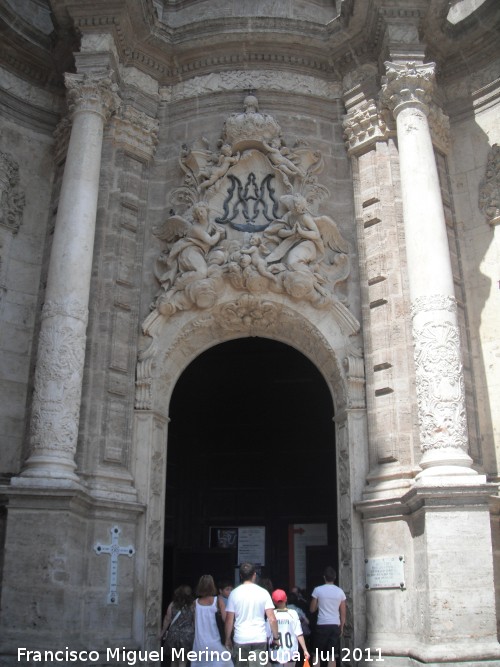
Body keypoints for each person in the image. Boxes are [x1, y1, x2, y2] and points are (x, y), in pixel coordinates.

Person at [224, 562, 280, 667]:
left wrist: (227, 638)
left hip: (241, 638)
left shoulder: (234, 594)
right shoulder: (263, 592)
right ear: (254, 574)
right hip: (259, 637)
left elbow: (229, 619)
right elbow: (272, 619)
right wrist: (276, 638)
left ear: (240, 576)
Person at [191, 574, 234, 667]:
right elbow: (225, 620)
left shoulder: (195, 603)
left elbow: (194, 624)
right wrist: (228, 638)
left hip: (200, 643)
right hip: (216, 642)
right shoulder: (218, 601)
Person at [309, 567, 346, 667]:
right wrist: (341, 626)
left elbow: (312, 609)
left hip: (322, 624)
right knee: (332, 655)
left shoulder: (317, 590)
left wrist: (318, 603)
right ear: (335, 577)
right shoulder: (340, 591)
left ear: (324, 577)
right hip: (334, 625)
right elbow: (343, 612)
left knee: (316, 654)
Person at [269, 589, 310, 667]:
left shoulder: (271, 615)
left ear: (273, 601)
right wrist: (305, 650)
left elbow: (267, 635)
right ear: (286, 599)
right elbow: (299, 633)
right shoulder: (293, 613)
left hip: (276, 652)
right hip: (291, 651)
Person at [160, 585, 195, 667]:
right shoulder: (192, 605)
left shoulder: (172, 604)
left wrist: (162, 633)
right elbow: (195, 620)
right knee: (183, 660)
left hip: (173, 634)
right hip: (187, 635)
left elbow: (167, 619)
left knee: (174, 660)